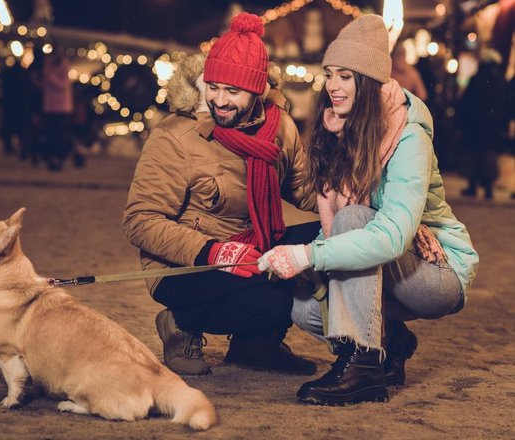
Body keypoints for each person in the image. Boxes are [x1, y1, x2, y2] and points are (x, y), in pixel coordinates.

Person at [257, 15, 479, 405]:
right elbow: (335, 226)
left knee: (356, 220)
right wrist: (306, 264)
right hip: (390, 259)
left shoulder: (408, 133)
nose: (333, 86)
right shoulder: (338, 130)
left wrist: (309, 253)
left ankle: (363, 369)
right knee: (306, 309)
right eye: (329, 74)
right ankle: (391, 341)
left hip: (438, 271)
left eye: (345, 75)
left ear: (369, 79)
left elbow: (390, 234)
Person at [122, 13, 320, 376]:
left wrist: (367, 209)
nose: (220, 100)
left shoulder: (280, 129)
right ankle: (181, 322)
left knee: (326, 236)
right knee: (274, 301)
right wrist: (216, 250)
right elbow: (140, 221)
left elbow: (308, 192)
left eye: (233, 91)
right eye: (213, 87)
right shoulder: (175, 136)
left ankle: (254, 345)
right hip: (187, 265)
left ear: (257, 90)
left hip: (253, 246)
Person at [456, 48, 508, 200]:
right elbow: (505, 105)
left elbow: (466, 104)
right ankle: (488, 188)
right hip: (493, 126)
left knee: (474, 155)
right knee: (489, 156)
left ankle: (473, 186)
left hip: (474, 126)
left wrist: (461, 123)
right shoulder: (500, 81)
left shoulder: (476, 80)